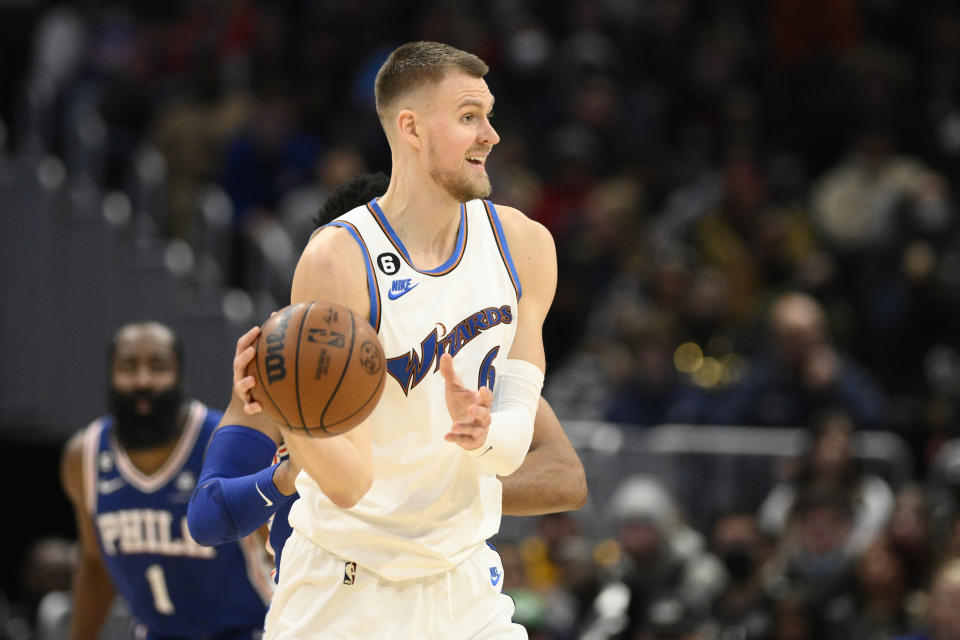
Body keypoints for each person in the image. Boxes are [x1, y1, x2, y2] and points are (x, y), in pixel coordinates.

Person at [226, 41, 560, 639]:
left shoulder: (525, 246)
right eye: (467, 117)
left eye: (488, 114)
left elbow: (511, 448)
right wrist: (289, 411)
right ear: (410, 127)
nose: (491, 134)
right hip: (347, 590)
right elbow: (349, 483)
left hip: (466, 585)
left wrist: (482, 436)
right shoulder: (338, 258)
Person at [187, 173, 586, 583]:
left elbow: (565, 476)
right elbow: (207, 519)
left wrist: (446, 491)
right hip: (331, 592)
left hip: (451, 584)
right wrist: (288, 475)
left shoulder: (465, 349)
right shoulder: (289, 368)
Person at [60, 322, 272, 640]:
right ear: (110, 376)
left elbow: (276, 552)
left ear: (180, 377)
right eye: (128, 367)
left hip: (249, 631)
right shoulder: (84, 457)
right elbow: (94, 564)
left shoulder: (223, 443)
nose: (142, 380)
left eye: (158, 367)